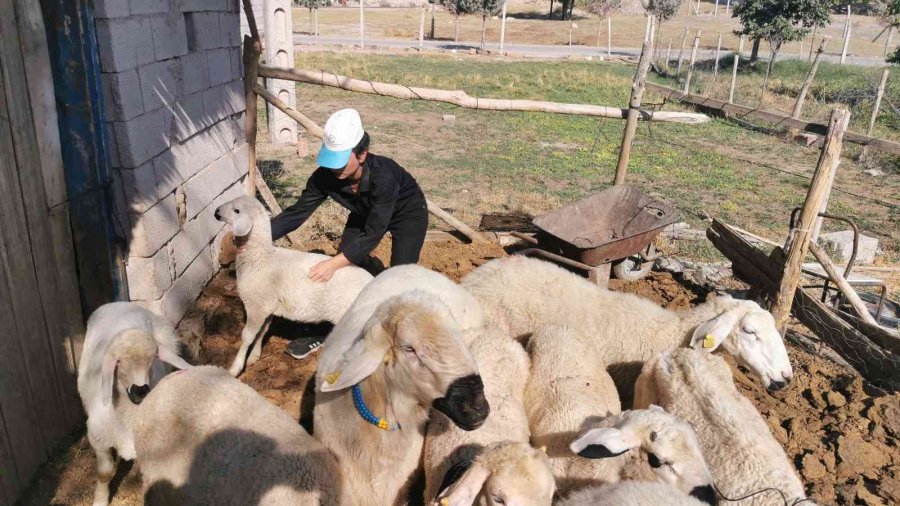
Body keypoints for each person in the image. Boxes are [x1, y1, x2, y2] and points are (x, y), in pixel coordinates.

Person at [270, 108, 428, 359]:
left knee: (400, 277)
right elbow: (297, 213)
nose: (334, 169)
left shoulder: (383, 176)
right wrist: (259, 236)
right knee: (350, 258)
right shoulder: (324, 177)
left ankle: (396, 328)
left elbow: (374, 232)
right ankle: (346, 316)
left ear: (362, 154)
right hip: (365, 212)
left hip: (406, 213)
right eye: (330, 160)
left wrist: (334, 263)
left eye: (341, 161)